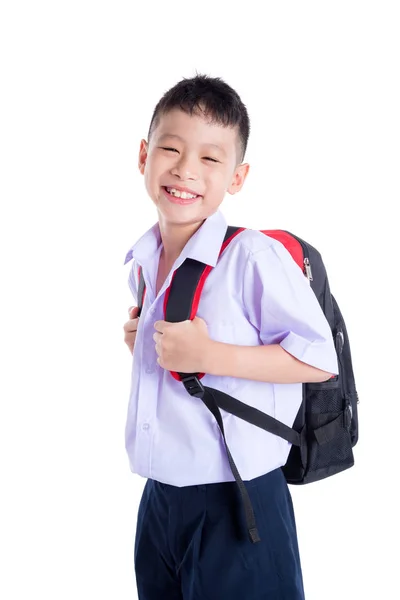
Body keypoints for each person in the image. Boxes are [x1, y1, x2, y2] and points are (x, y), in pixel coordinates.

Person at [123, 74, 338, 600]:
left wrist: (210, 355)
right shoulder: (144, 261)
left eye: (210, 159)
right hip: (160, 500)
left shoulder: (251, 257)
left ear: (237, 177)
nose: (185, 170)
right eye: (170, 149)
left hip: (238, 501)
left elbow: (317, 359)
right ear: (144, 156)